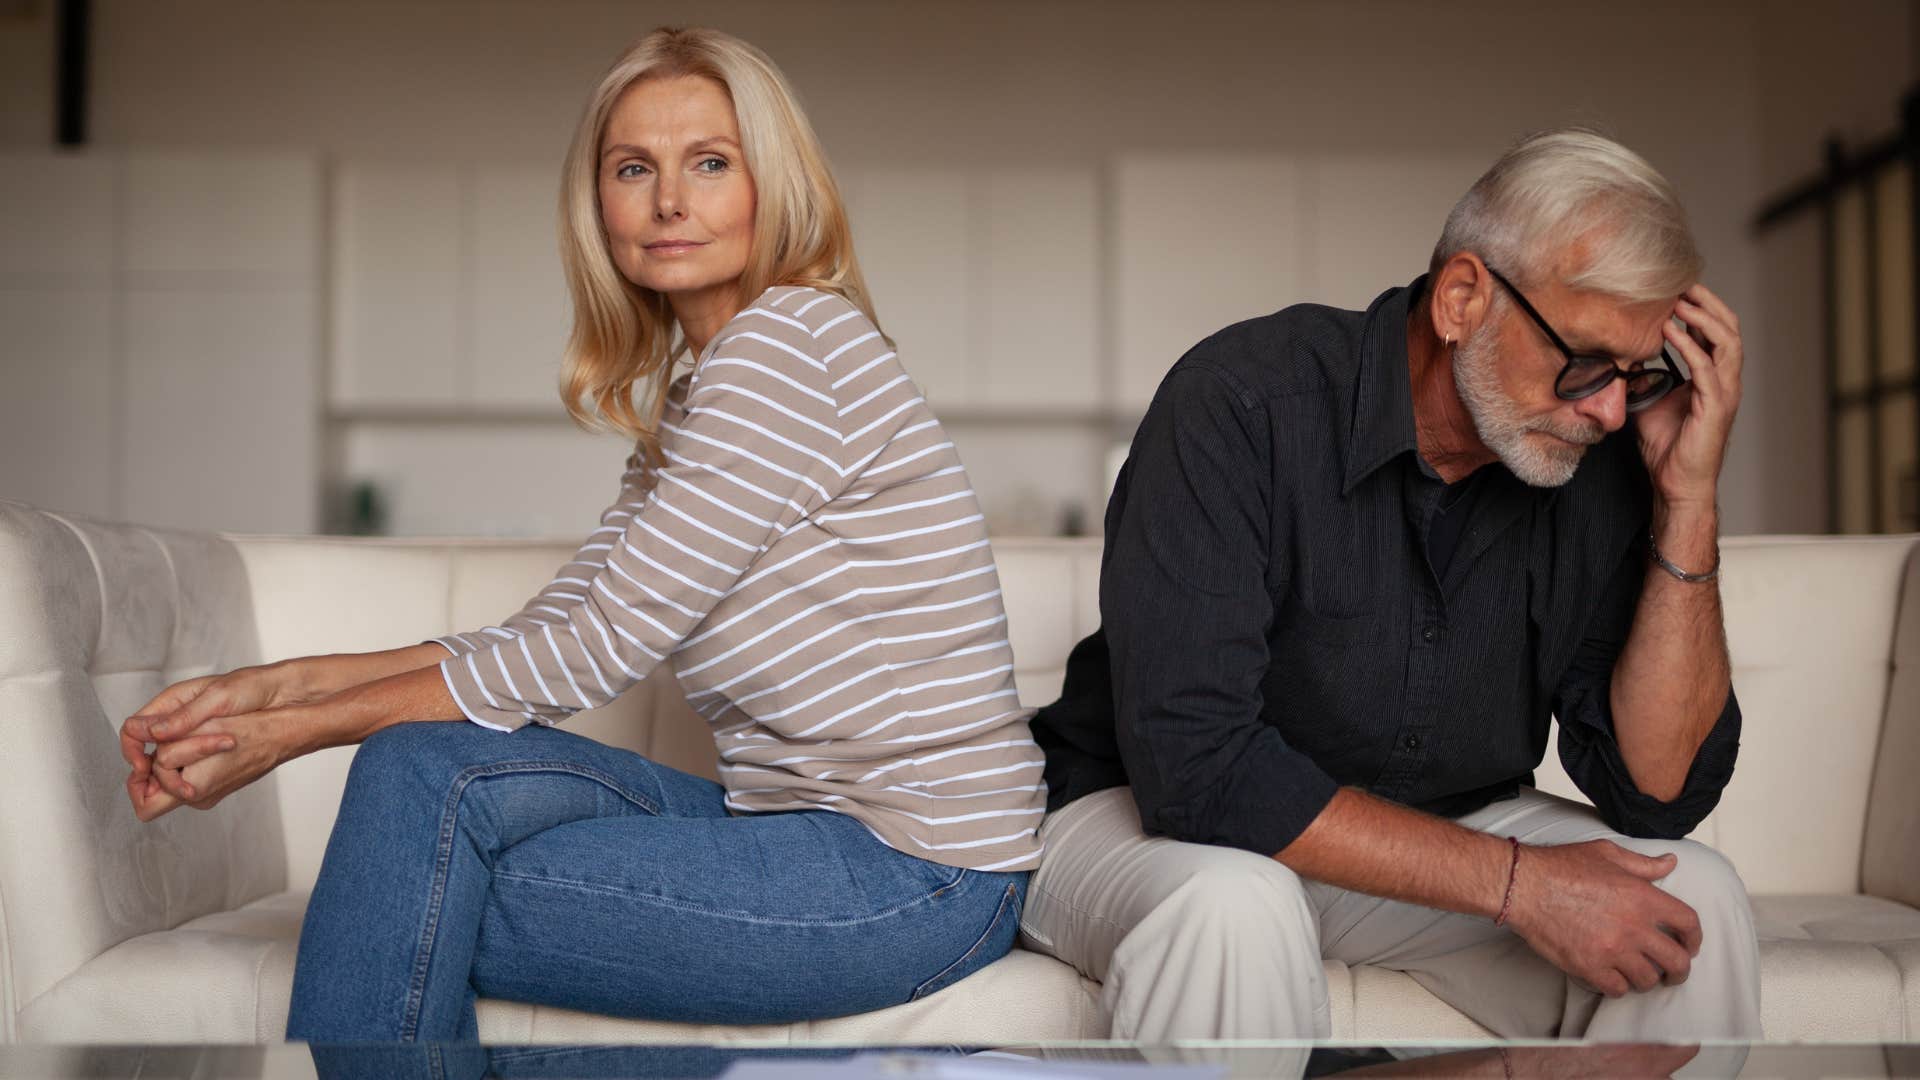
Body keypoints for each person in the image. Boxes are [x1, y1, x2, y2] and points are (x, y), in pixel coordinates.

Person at [116, 26, 1043, 1042]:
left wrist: (282, 737)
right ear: (596, 201)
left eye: (711, 164)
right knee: (413, 776)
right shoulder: (701, 394)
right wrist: (277, 687)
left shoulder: (786, 346)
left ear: (770, 186)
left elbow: (599, 647)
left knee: (410, 895)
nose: (670, 201)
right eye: (633, 167)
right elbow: (563, 618)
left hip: (914, 873)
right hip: (792, 829)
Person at [1020, 129, 1762, 1043]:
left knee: (1700, 904)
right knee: (1234, 909)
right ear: (1462, 299)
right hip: (1150, 828)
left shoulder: (1595, 462)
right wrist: (1520, 885)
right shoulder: (1243, 403)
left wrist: (1688, 498)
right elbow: (1199, 773)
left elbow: (1660, 794)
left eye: (1636, 376)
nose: (1609, 410)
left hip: (1437, 837)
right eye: (1586, 363)